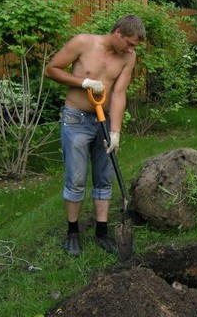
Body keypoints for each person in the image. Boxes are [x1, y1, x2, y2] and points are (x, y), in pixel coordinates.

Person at [45, 14, 146, 256]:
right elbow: (52, 69)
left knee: (103, 178)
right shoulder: (83, 43)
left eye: (135, 46)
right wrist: (84, 82)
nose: (131, 49)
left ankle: (102, 232)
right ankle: (72, 233)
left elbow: (120, 94)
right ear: (118, 32)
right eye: (129, 43)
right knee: (77, 179)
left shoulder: (128, 58)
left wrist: (116, 131)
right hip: (76, 119)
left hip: (105, 120)